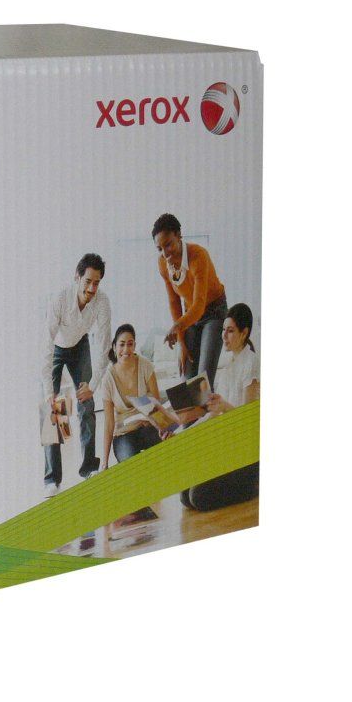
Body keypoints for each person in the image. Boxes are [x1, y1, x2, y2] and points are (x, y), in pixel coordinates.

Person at [41, 253, 111, 497]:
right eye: (88, 281)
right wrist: (49, 391)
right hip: (57, 348)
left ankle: (88, 467)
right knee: (54, 410)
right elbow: (46, 347)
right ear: (77, 277)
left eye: (96, 283)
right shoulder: (59, 299)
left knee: (87, 404)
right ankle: (52, 479)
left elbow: (104, 346)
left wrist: (93, 384)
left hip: (80, 345)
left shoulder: (102, 302)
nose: (91, 289)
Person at [181, 303, 260, 511]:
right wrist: (182, 434)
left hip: (246, 454)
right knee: (185, 496)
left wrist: (224, 406)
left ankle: (253, 485)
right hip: (227, 445)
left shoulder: (251, 363)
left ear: (244, 333)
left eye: (230, 331)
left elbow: (249, 422)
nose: (224, 336)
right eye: (223, 330)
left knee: (197, 497)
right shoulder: (228, 366)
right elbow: (213, 415)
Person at [152, 213, 227, 387]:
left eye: (168, 244)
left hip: (214, 312)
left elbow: (199, 304)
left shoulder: (198, 255)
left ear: (179, 235)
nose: (165, 253)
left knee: (203, 379)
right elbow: (174, 302)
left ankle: (208, 405)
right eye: (159, 249)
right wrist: (182, 342)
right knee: (187, 378)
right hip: (189, 316)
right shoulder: (163, 264)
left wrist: (177, 326)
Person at [99, 324, 164, 470]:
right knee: (132, 470)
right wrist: (104, 462)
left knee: (163, 458)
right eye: (122, 345)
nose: (126, 349)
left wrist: (162, 428)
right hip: (124, 434)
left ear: (134, 346)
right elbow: (109, 423)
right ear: (114, 347)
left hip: (147, 427)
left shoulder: (145, 365)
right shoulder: (108, 379)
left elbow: (157, 404)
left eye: (130, 344)